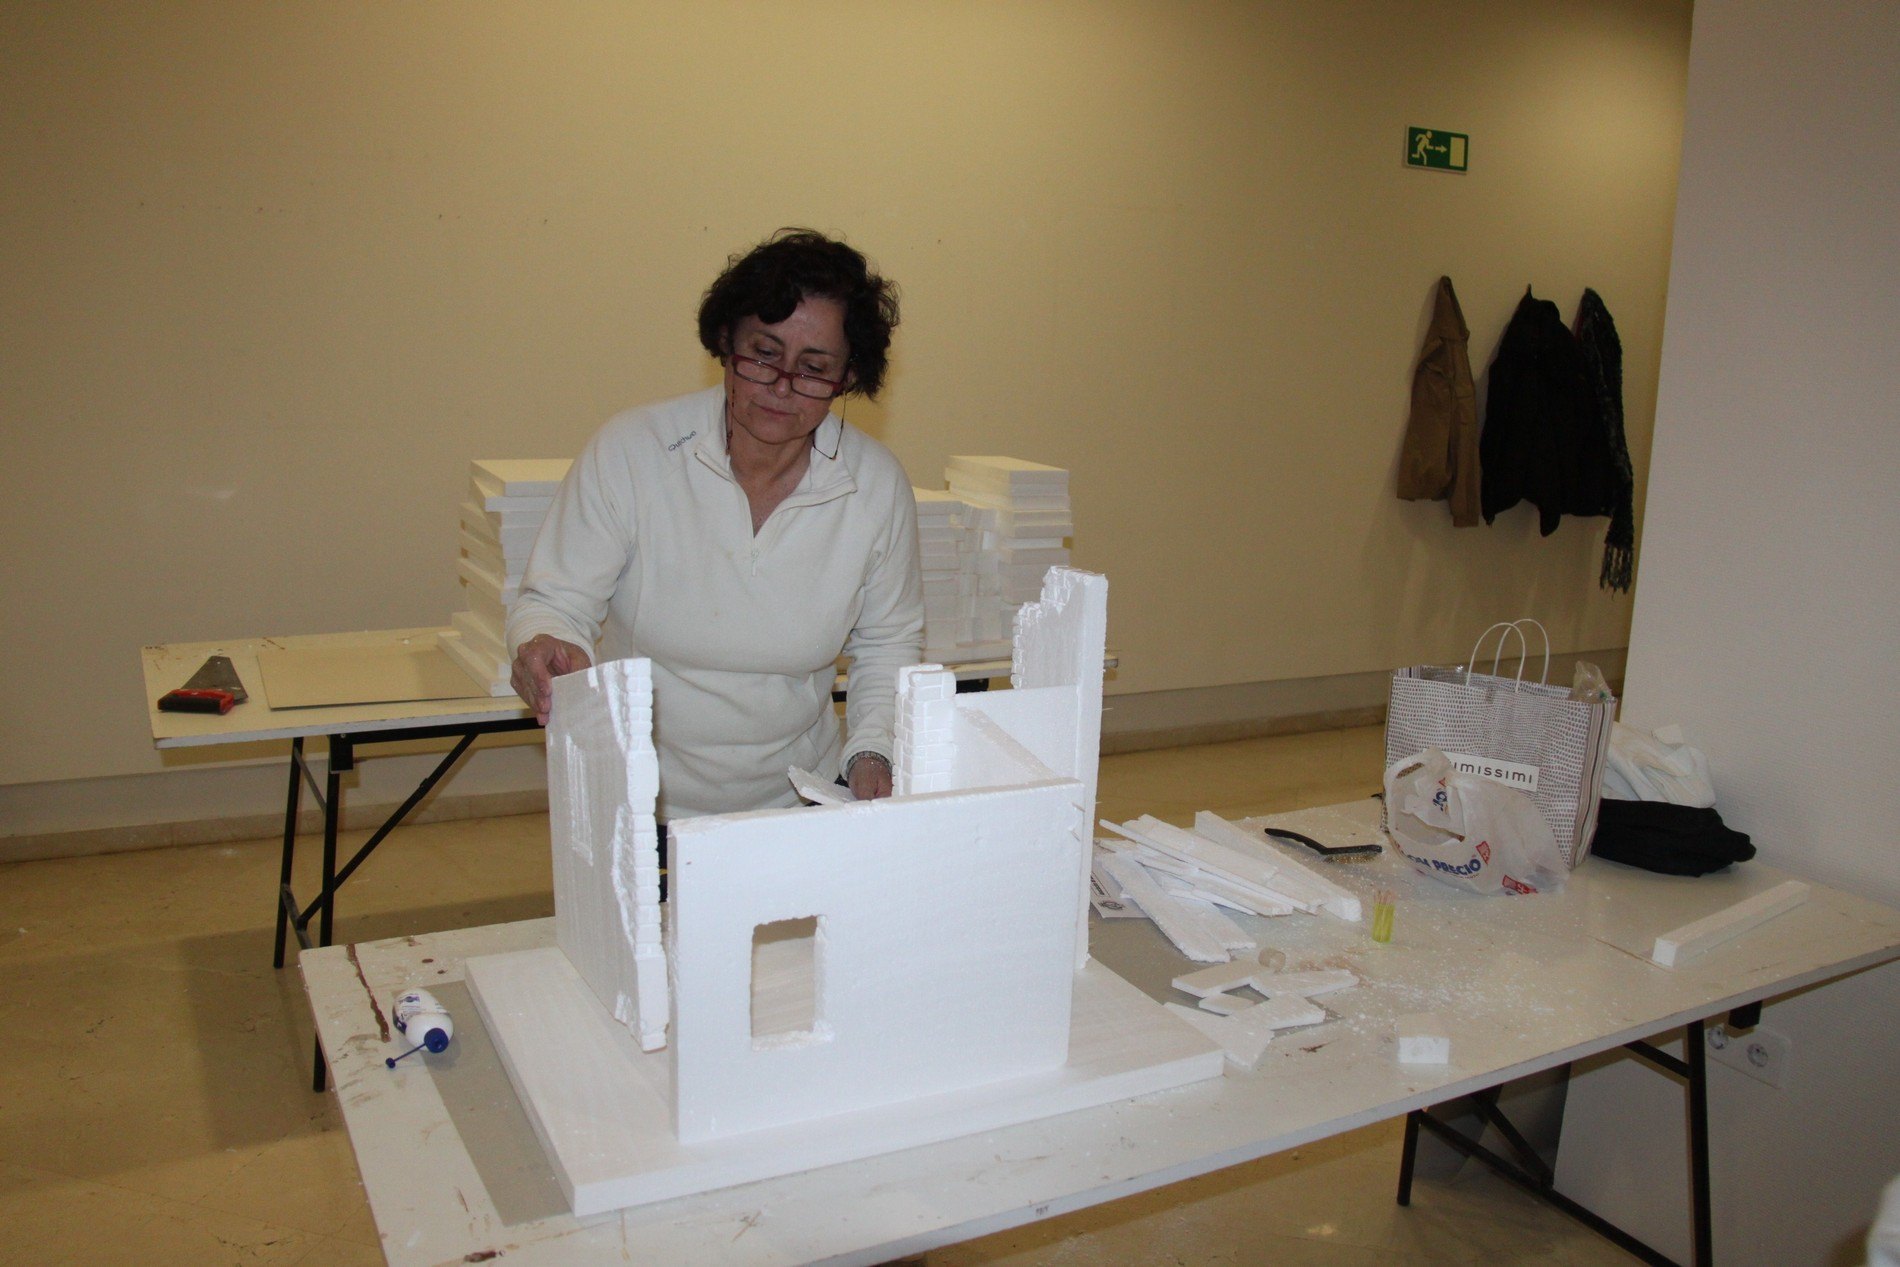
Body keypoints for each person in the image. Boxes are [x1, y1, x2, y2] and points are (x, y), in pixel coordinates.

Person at [506, 229, 922, 822]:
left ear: (848, 376)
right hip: (640, 802)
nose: (781, 387)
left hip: (799, 797)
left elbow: (887, 642)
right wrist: (546, 642)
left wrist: (873, 749)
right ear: (726, 342)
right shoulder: (634, 451)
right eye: (764, 355)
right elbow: (556, 601)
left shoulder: (874, 485)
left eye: (813, 369)